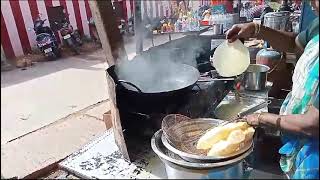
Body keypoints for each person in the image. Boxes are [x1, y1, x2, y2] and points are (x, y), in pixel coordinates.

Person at [226, 0, 319, 179]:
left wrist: (261, 118)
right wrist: (256, 29)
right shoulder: (318, 24)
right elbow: (294, 44)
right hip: (299, 142)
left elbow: (313, 124)